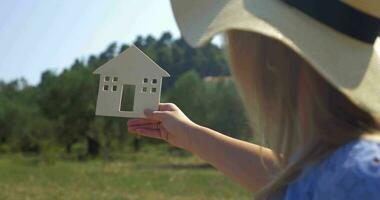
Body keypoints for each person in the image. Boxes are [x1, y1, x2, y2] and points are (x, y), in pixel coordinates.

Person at [128, 0, 380, 199]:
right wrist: (188, 133)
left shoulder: (360, 178)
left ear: (268, 59)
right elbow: (298, 181)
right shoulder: (343, 172)